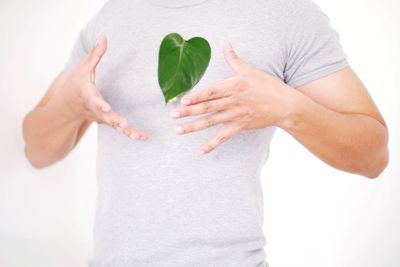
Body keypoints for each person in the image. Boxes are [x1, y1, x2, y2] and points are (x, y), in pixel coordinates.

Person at [22, 0, 389, 266]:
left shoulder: (286, 13)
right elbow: (38, 151)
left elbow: (373, 156)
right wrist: (70, 106)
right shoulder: (111, 15)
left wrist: (289, 109)